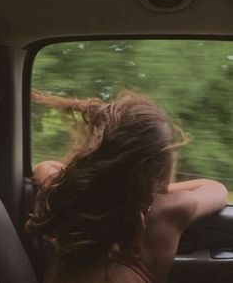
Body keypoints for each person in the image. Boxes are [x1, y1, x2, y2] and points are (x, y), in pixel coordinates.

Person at [27, 91, 228, 283]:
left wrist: (99, 180)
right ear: (158, 170)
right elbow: (216, 188)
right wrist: (152, 192)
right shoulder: (165, 212)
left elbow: (44, 168)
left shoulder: (68, 196)